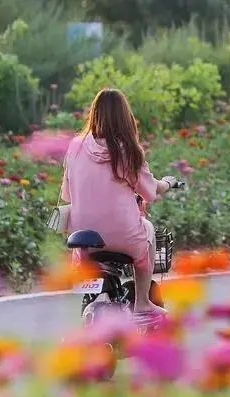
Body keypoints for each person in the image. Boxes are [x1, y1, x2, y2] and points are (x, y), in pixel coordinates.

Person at [60, 88, 177, 327]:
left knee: (86, 252)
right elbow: (149, 192)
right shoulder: (127, 151)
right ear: (125, 117)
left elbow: (66, 194)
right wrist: (167, 183)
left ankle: (93, 300)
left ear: (94, 114)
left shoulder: (75, 147)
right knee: (148, 229)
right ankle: (142, 301)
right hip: (123, 235)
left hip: (84, 238)